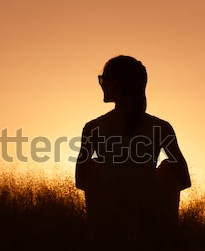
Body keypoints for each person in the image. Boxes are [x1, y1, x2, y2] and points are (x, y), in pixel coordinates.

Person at [75, 55, 191, 239]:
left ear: (120, 84)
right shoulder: (161, 128)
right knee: (170, 166)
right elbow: (184, 178)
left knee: (91, 164)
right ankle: (163, 236)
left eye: (105, 79)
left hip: (110, 215)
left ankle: (102, 234)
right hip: (148, 212)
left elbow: (81, 178)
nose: (102, 84)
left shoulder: (93, 128)